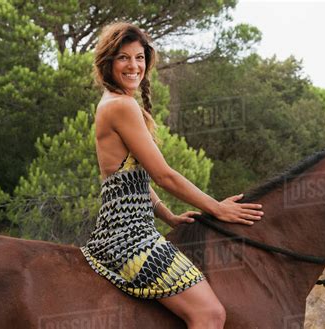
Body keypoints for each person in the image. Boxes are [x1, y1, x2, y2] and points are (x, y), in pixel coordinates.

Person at [80, 22, 264, 329]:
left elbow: (127, 180)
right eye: (123, 58)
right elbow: (164, 176)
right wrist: (218, 208)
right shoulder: (121, 106)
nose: (133, 65)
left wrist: (167, 216)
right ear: (108, 62)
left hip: (123, 231)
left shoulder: (116, 103)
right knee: (211, 314)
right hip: (128, 238)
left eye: (139, 57)